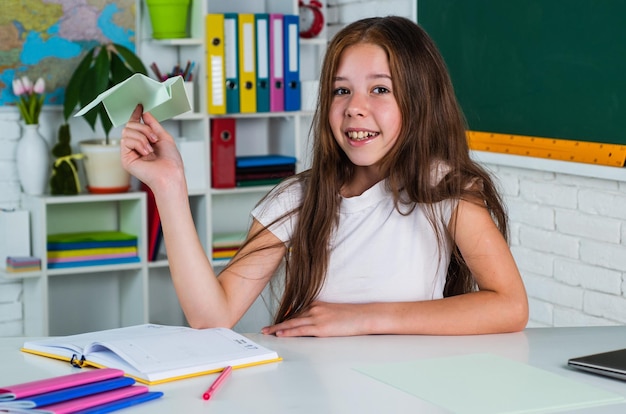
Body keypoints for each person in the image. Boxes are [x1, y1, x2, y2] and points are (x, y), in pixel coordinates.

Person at [120, 16, 528, 337]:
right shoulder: (296, 198)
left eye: (380, 90)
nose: (354, 107)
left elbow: (510, 306)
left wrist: (362, 319)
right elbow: (212, 317)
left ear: (420, 99)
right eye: (340, 90)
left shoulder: (446, 190)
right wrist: (169, 186)